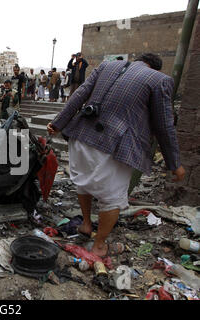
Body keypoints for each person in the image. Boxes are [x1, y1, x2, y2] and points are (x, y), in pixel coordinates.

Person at [47, 53, 185, 257]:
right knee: (112, 198)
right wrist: (174, 163)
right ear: (154, 68)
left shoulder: (106, 66)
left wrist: (58, 123)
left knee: (84, 184)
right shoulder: (160, 80)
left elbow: (80, 94)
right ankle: (99, 245)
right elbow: (164, 125)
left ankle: (86, 224)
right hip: (114, 145)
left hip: (81, 136)